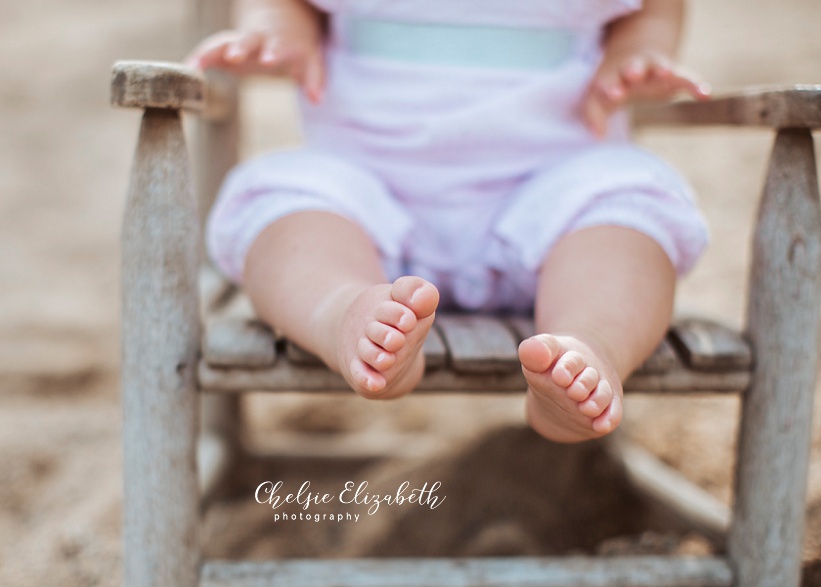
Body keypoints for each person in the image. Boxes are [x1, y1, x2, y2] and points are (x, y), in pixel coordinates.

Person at [189, 0, 711, 443]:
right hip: (366, 197)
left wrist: (636, 48)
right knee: (287, 202)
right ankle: (345, 312)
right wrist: (280, 30)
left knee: (627, 205)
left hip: (553, 198)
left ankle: (587, 347)